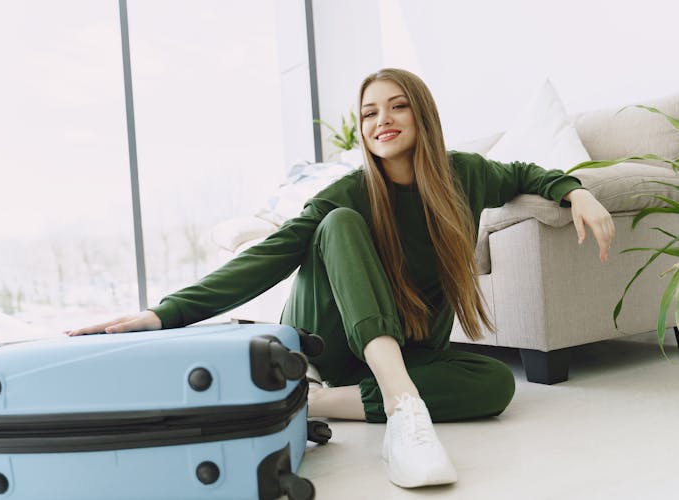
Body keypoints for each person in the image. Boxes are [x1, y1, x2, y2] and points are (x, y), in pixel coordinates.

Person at [66, 68, 615, 488]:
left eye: (398, 106)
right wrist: (166, 312)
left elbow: (525, 172)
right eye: (370, 112)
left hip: (406, 348)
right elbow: (268, 256)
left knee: (496, 385)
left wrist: (576, 191)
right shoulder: (346, 193)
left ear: (423, 115)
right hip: (327, 337)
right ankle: (402, 410)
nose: (383, 120)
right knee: (340, 224)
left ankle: (315, 403)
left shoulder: (464, 173)